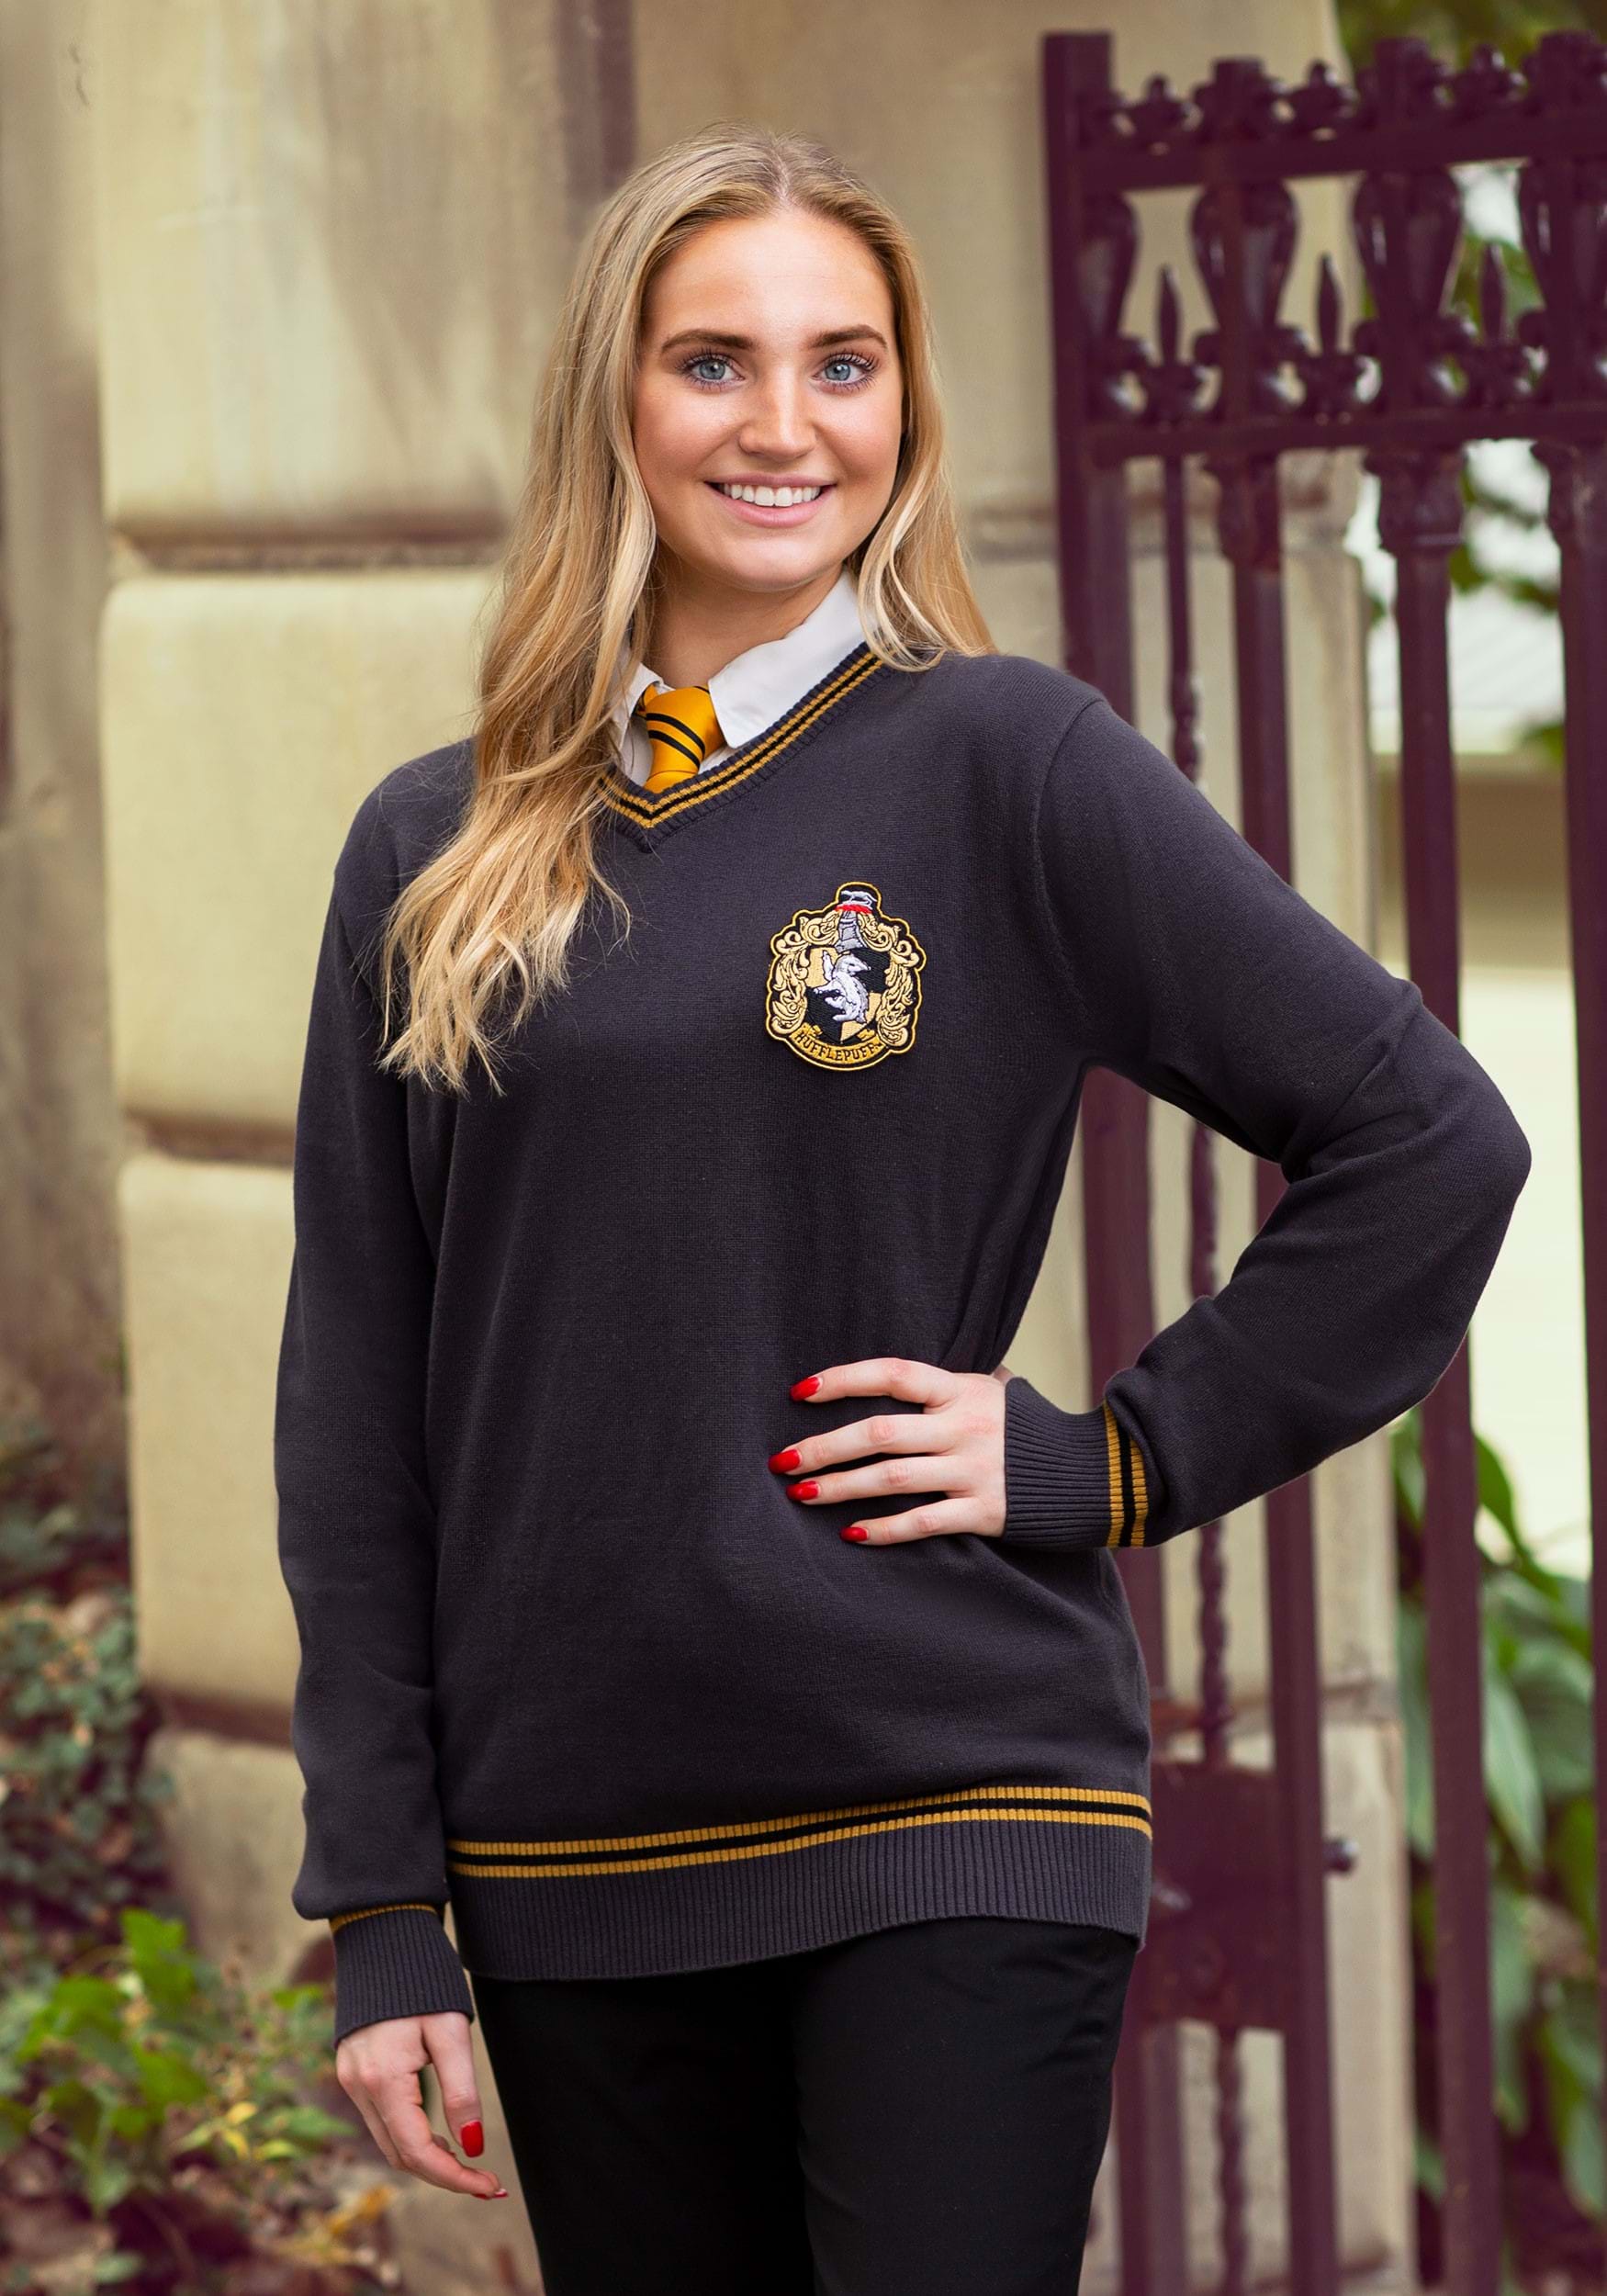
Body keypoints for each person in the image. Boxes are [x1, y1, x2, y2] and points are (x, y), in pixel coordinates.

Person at [273, 121, 1532, 2296]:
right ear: (612, 403)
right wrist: (384, 1900)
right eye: (714, 363)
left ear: (901, 408)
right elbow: (357, 1394)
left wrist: (1111, 1457)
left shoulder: (1004, 764)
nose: (784, 425)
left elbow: (1427, 1135)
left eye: (840, 365)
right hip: (573, 1844)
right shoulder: (434, 849)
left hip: (949, 1794)